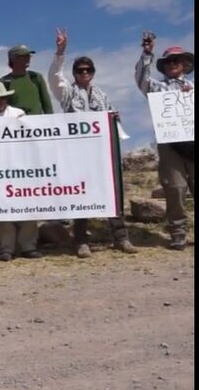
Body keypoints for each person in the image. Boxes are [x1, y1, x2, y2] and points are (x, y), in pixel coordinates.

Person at [47, 28, 137, 258]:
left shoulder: (101, 94)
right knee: (81, 194)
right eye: (80, 70)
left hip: (102, 152)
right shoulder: (67, 92)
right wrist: (60, 52)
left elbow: (110, 119)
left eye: (88, 70)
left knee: (112, 192)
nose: (84, 73)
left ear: (93, 72)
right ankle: (80, 241)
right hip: (77, 152)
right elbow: (55, 77)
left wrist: (116, 119)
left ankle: (121, 238)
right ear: (75, 73)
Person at [135, 34, 194, 250]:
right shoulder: (158, 88)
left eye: (176, 61)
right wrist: (147, 54)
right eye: (168, 61)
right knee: (175, 188)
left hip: (193, 141)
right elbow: (141, 79)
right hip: (170, 145)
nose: (172, 64)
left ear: (185, 65)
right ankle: (178, 233)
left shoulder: (193, 88)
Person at [0, 82, 41, 261]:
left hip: (22, 167)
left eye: (2, 98)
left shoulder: (17, 114)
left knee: (29, 204)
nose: (0, 101)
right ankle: (7, 247)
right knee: (3, 208)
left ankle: (29, 245)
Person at [0, 43, 54, 115]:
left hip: (36, 124)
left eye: (29, 55)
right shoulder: (3, 82)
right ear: (13, 58)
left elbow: (47, 105)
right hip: (14, 124)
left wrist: (51, 120)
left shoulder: (36, 77)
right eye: (24, 56)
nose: (28, 58)